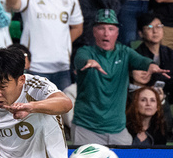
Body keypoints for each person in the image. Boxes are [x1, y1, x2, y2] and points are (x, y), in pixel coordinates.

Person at [71, 9, 167, 146]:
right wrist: (88, 62)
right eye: (101, 28)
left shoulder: (124, 52)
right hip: (87, 128)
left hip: (118, 130)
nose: (106, 33)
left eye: (111, 29)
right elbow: (80, 59)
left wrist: (151, 65)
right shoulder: (85, 51)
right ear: (94, 31)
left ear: (117, 33)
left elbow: (139, 60)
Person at [5, 0, 82, 89]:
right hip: (34, 67)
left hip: (61, 67)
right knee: (33, 103)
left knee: (62, 103)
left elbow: (78, 27)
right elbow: (12, 4)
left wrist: (61, 44)